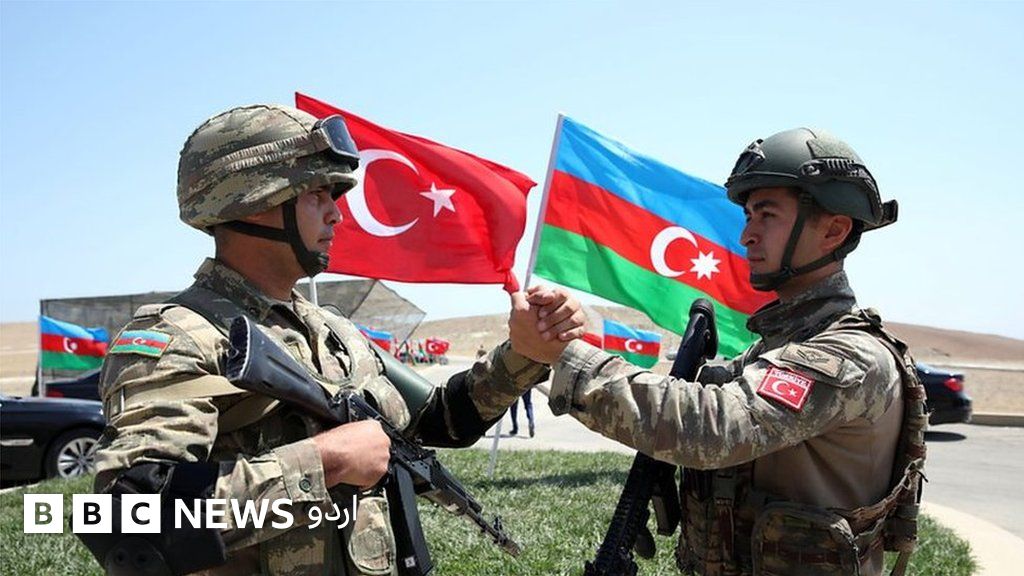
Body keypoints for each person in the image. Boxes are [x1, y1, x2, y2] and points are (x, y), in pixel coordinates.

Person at [88, 104, 585, 576]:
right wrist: (324, 462)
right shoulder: (178, 337)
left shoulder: (334, 331)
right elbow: (123, 522)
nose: (336, 215)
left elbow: (440, 420)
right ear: (255, 202)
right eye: (317, 195)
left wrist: (525, 353)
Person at [510, 128, 927, 576]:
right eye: (748, 216)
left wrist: (567, 358)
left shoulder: (851, 356)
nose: (746, 235)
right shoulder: (775, 347)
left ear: (834, 230)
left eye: (767, 216)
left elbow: (716, 427)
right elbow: (686, 398)